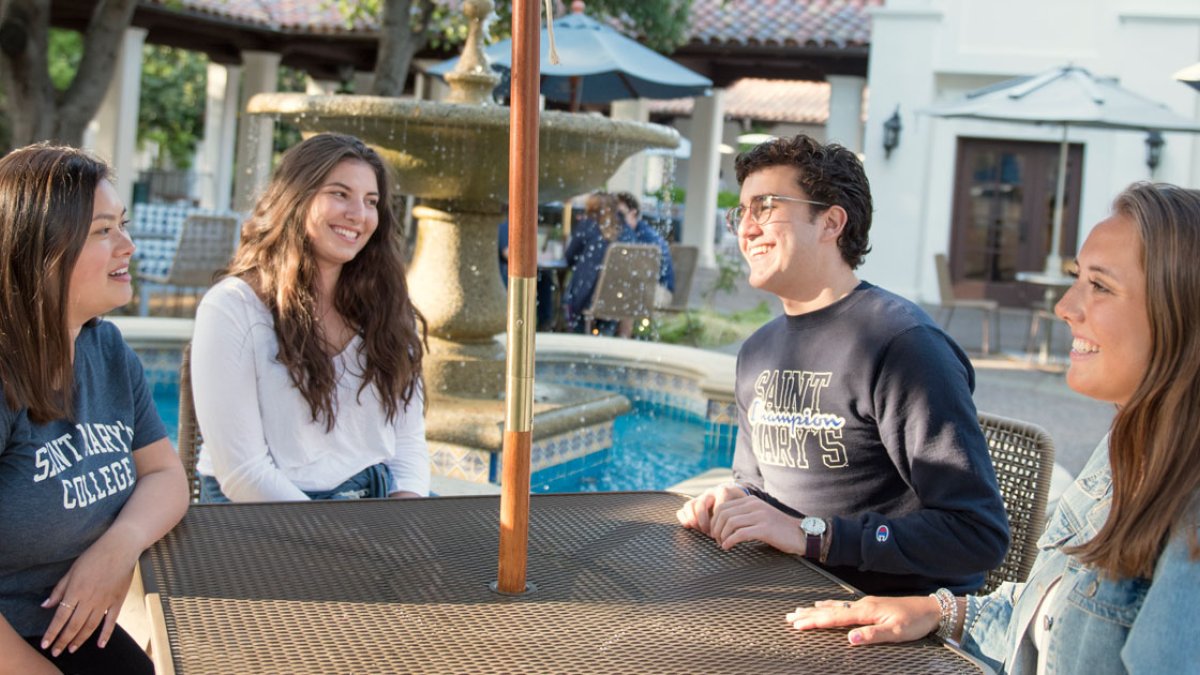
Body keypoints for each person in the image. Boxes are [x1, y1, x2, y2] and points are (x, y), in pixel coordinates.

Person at [787, 182, 1200, 674]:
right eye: (1076, 278)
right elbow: (1044, 614)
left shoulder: (1189, 515)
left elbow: (972, 532)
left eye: (1101, 286)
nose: (1066, 307)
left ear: (1183, 313)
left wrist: (817, 535)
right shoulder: (1129, 448)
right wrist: (940, 611)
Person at [676, 134, 1009, 596]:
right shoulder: (757, 351)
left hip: (889, 622)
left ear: (830, 222)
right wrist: (733, 503)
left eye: (766, 207)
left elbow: (976, 534)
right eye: (742, 211)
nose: (745, 228)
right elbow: (754, 485)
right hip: (788, 596)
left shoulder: (903, 346)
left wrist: (813, 536)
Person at [0, 144, 189, 674]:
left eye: (121, 226)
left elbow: (164, 474)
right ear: (37, 250)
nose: (127, 246)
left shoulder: (105, 351)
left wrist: (119, 547)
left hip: (65, 630)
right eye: (102, 231)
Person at [191, 133, 430, 502]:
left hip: (376, 504)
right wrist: (344, 548)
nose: (359, 214)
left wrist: (406, 523)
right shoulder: (233, 307)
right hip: (259, 514)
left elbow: (408, 444)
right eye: (339, 194)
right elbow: (243, 473)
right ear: (296, 199)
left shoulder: (386, 307)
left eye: (371, 201)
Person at [562, 191, 637, 335]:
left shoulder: (587, 226)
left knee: (571, 296)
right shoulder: (626, 231)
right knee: (605, 329)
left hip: (586, 297)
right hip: (616, 298)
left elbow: (569, 258)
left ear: (590, 209)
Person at [615, 191, 675, 307]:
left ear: (633, 213)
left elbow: (640, 273)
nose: (617, 219)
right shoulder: (637, 233)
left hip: (660, 292)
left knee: (620, 293)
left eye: (621, 214)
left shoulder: (644, 237)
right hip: (648, 288)